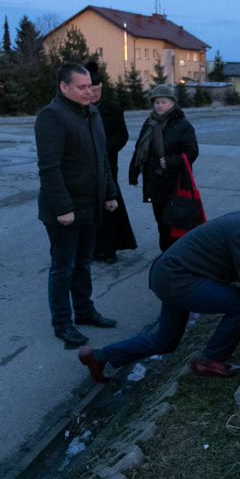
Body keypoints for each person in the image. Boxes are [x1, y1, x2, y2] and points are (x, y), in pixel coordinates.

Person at [78, 194, 240, 382]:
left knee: (165, 341)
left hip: (173, 275)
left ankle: (100, 357)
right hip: (177, 279)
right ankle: (211, 361)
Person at [35, 62, 121, 348]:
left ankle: (84, 311)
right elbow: (49, 168)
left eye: (90, 87)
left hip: (91, 205)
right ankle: (62, 322)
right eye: (82, 88)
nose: (89, 92)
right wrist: (62, 209)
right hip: (65, 211)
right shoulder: (52, 116)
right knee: (64, 267)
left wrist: (110, 193)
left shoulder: (92, 113)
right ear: (64, 87)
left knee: (83, 263)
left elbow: (102, 159)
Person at [128, 84, 198, 251]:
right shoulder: (150, 123)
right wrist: (134, 173)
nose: (159, 105)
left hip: (175, 181)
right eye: (156, 102)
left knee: (173, 221)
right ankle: (166, 254)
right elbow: (139, 148)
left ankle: (173, 255)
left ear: (172, 103)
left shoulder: (182, 124)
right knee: (160, 220)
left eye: (163, 102)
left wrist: (172, 161)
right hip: (154, 181)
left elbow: (192, 151)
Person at [86, 62, 137, 263]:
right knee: (90, 211)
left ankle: (110, 249)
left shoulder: (112, 109)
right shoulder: (79, 110)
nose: (95, 94)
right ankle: (91, 249)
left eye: (98, 90)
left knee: (110, 209)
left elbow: (122, 135)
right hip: (86, 170)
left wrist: (104, 147)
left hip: (108, 167)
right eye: (92, 90)